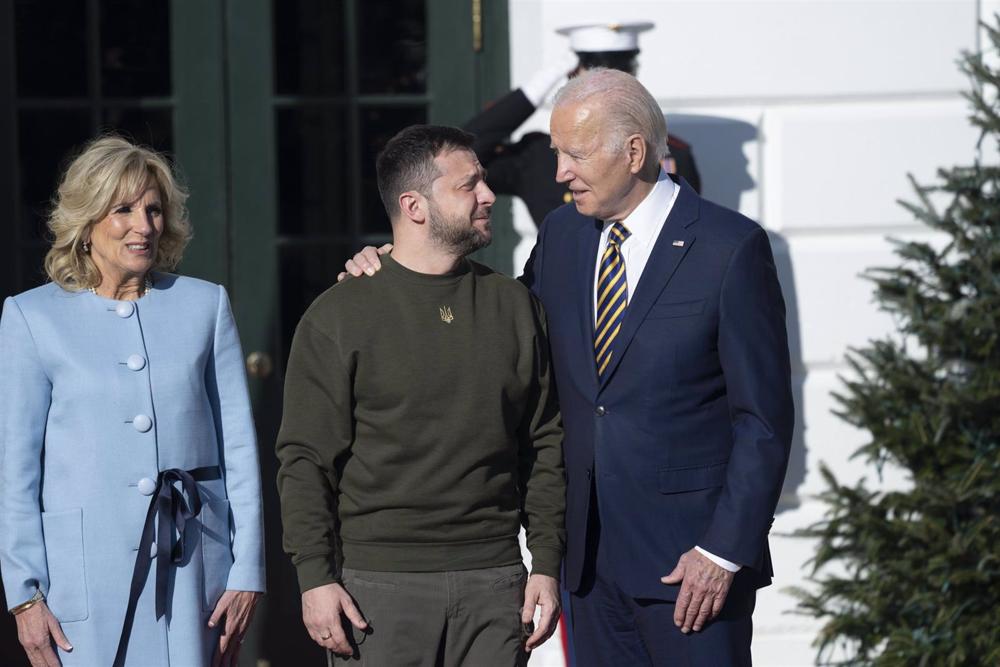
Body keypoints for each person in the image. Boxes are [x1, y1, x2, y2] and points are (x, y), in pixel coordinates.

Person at [344, 69, 793, 666]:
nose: (558, 173)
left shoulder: (729, 247)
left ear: (633, 152)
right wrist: (393, 265)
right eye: (556, 153)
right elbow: (496, 330)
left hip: (690, 570)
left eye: (573, 154)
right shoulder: (563, 234)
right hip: (585, 568)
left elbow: (763, 419)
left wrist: (721, 552)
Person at [275, 125, 565, 665]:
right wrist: (315, 578)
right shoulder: (340, 315)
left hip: (496, 585)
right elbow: (305, 459)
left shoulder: (514, 306)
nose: (488, 195)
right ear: (414, 205)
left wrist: (545, 563)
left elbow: (544, 443)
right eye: (468, 185)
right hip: (378, 591)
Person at [0, 135, 266, 667]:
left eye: (153, 209)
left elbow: (239, 447)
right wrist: (25, 593)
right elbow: (18, 469)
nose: (143, 225)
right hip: (84, 580)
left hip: (196, 571)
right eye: (123, 209)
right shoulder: (32, 318)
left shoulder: (205, 305)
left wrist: (247, 571)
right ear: (87, 219)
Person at [464, 21, 701, 228]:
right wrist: (539, 87)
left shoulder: (671, 153)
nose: (609, 91)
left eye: (621, 76)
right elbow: (466, 151)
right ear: (573, 76)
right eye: (594, 79)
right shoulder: (536, 156)